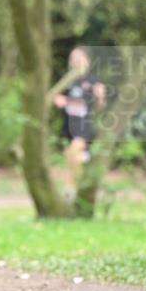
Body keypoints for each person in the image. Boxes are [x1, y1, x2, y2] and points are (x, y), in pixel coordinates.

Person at [53, 45, 106, 187]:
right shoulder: (66, 81)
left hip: (84, 128)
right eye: (73, 58)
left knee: (74, 152)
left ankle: (71, 188)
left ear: (87, 61)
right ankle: (81, 186)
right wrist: (59, 100)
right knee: (72, 159)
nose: (75, 60)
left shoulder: (92, 80)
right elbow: (57, 99)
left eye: (78, 57)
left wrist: (100, 97)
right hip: (68, 127)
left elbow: (100, 105)